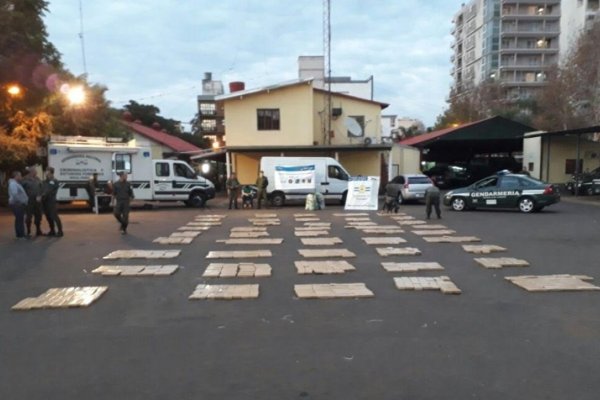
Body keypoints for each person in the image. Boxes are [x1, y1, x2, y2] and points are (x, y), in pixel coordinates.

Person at [41, 167, 64, 237]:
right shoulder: (45, 181)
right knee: (48, 217)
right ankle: (52, 231)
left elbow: (48, 190)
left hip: (51, 201)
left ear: (51, 172)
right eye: (46, 171)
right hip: (45, 201)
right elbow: (42, 188)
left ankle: (60, 232)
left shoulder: (54, 181)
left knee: (54, 216)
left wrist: (42, 195)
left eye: (47, 171)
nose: (46, 173)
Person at [21, 167, 43, 236]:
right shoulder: (24, 179)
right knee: (29, 216)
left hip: (37, 201)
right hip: (29, 201)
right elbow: (20, 190)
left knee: (38, 215)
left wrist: (40, 195)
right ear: (31, 172)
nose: (36, 173)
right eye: (35, 171)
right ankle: (28, 231)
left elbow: (41, 188)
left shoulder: (38, 179)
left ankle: (38, 230)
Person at [8, 171, 29, 239]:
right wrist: (20, 201)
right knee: (20, 219)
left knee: (19, 219)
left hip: (18, 204)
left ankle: (19, 234)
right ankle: (21, 235)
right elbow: (15, 194)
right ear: (16, 176)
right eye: (20, 175)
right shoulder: (13, 184)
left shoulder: (15, 183)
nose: (21, 177)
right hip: (17, 204)